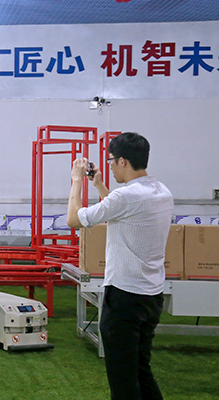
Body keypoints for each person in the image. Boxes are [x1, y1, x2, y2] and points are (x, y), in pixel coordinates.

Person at [66, 132, 173, 400]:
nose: (110, 166)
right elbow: (122, 210)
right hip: (151, 295)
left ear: (122, 161)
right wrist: (100, 185)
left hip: (125, 297)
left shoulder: (125, 197)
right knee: (140, 369)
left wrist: (76, 180)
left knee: (123, 379)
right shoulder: (162, 191)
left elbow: (74, 219)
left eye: (111, 160)